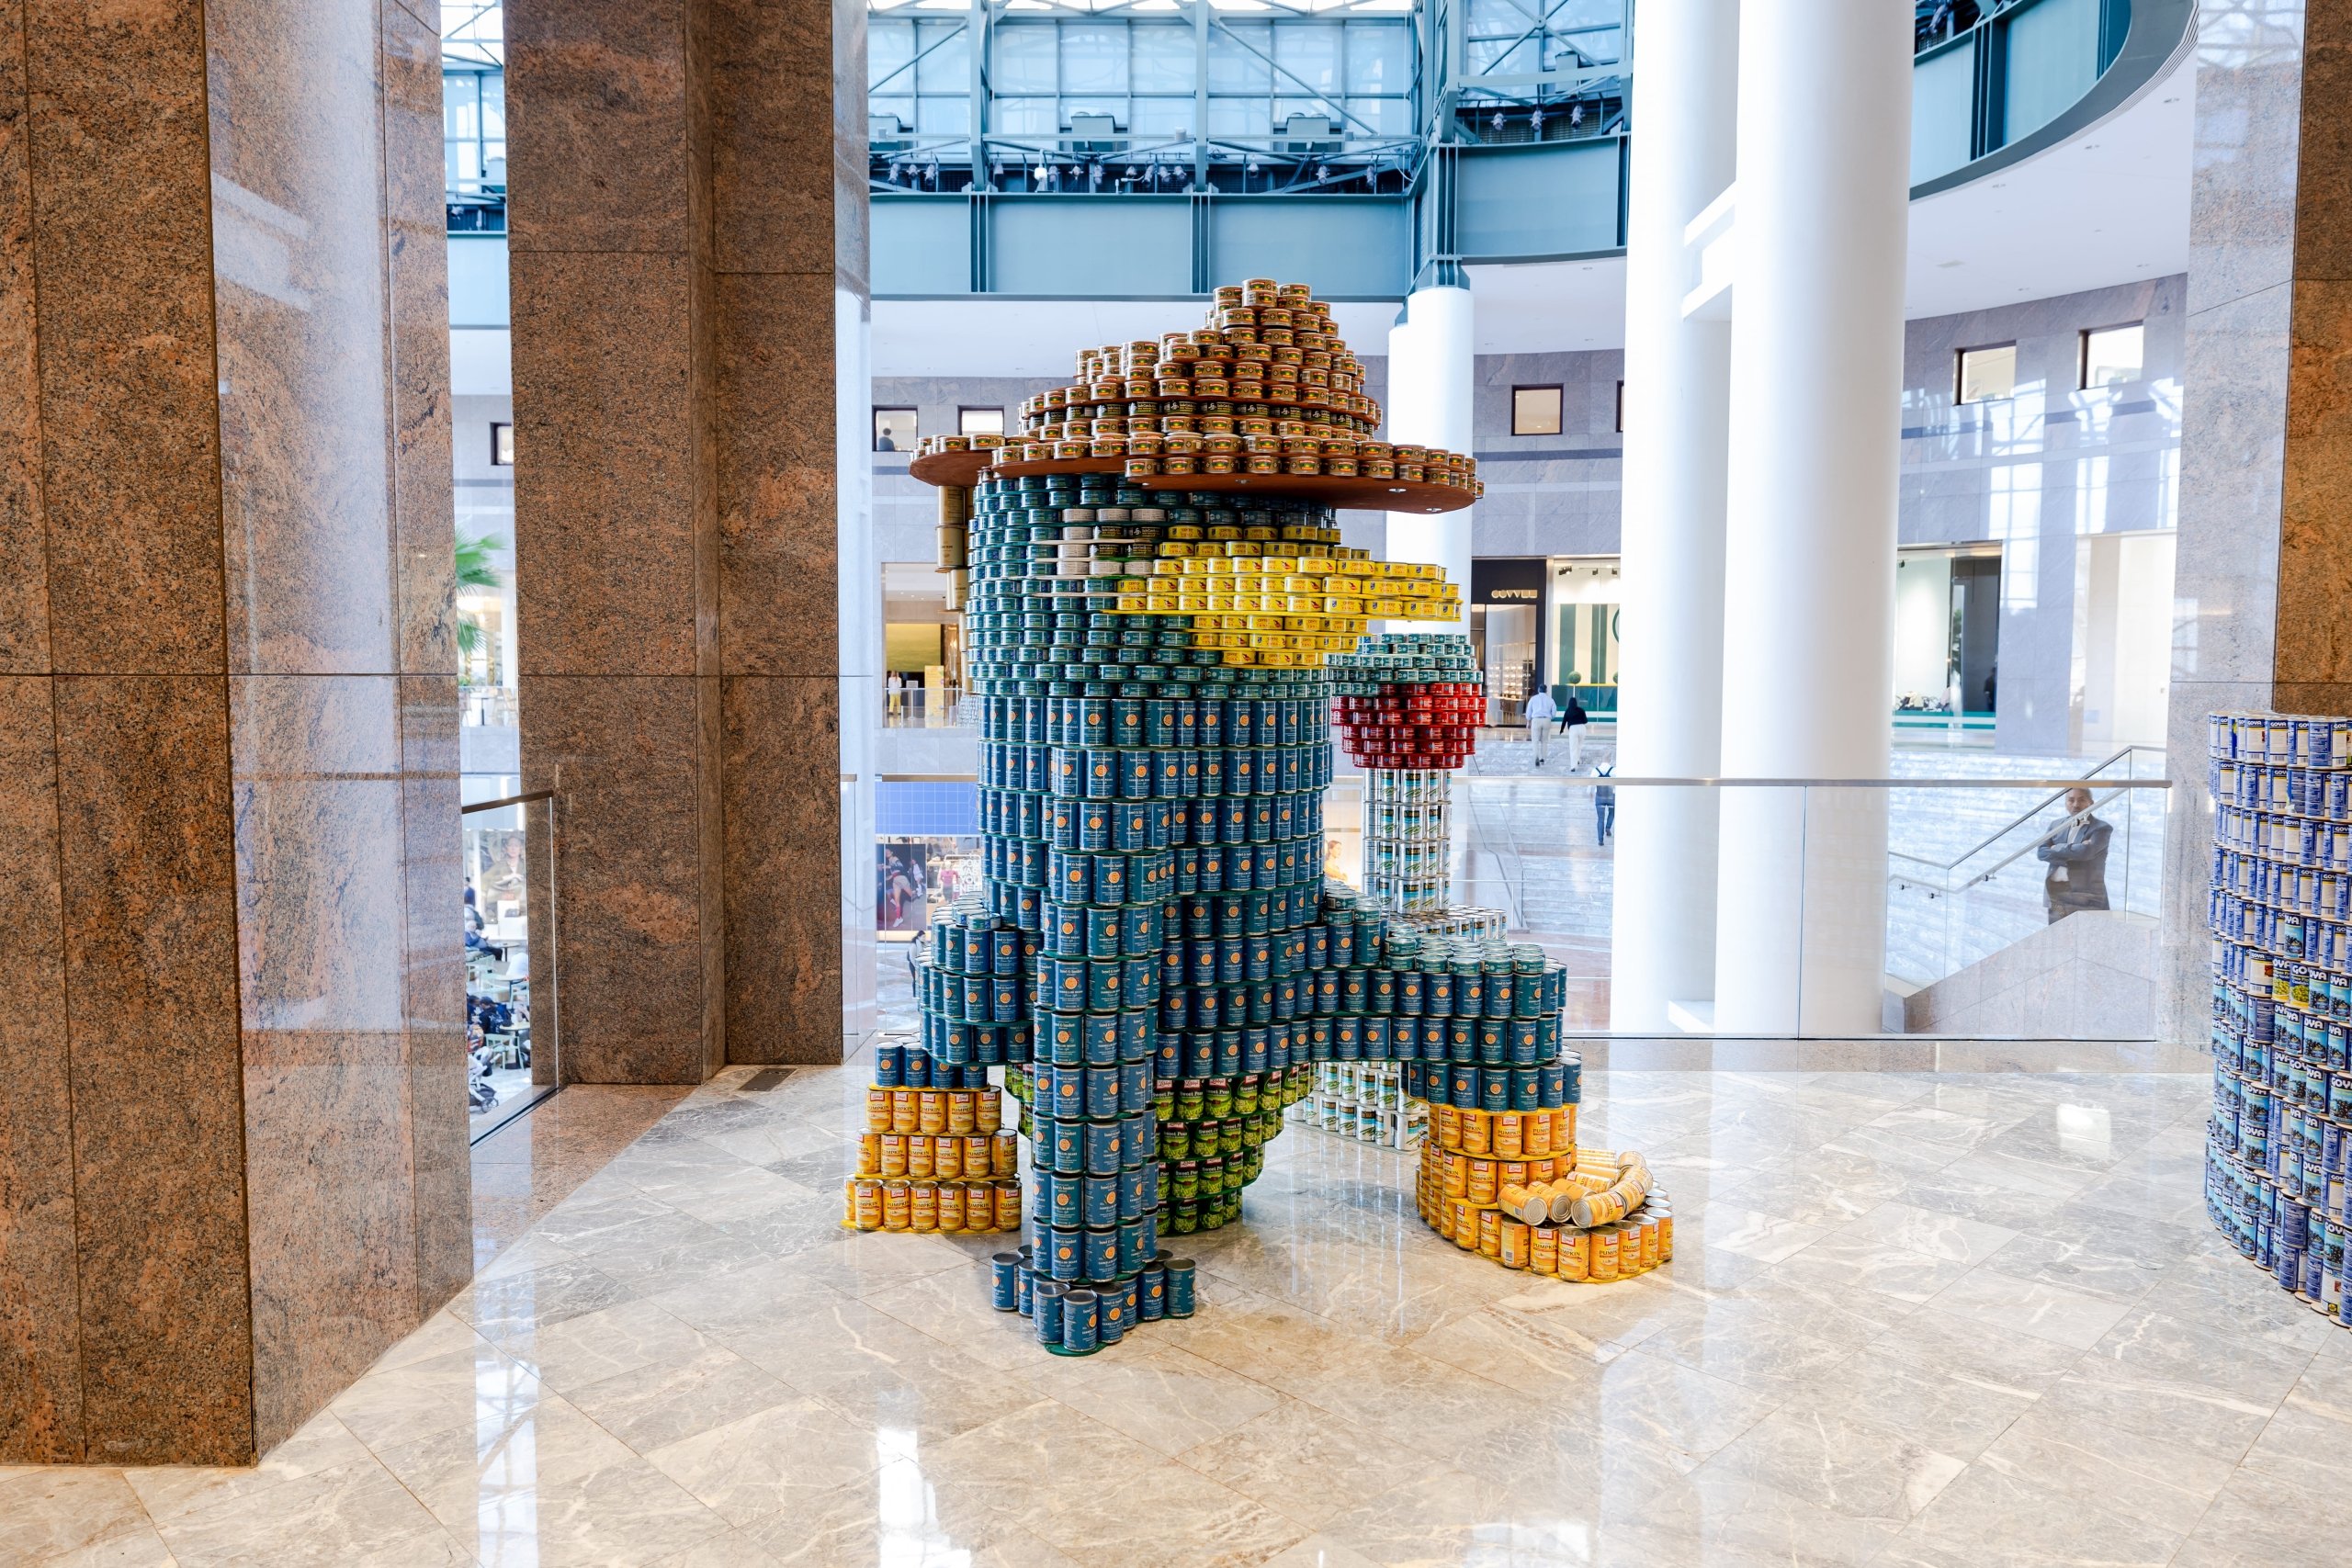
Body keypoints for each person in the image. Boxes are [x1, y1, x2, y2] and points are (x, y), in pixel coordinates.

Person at [2035, 786, 2111, 924]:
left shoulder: (2101, 828)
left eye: (2081, 800)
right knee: (2058, 935)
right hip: (2056, 895)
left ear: (2091, 803)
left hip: (2086, 897)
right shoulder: (2055, 825)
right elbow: (2041, 852)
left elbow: (2086, 853)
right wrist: (2074, 849)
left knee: (2087, 937)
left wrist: (2054, 848)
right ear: (2065, 803)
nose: (2076, 804)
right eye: (2071, 800)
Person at [1522, 686, 1559, 766]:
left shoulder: (1533, 699)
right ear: (1546, 690)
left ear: (1539, 690)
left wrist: (1528, 721)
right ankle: (1543, 759)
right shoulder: (1551, 700)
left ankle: (1536, 757)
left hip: (1536, 720)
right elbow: (1554, 713)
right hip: (1547, 720)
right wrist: (1550, 717)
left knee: (1535, 741)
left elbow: (1529, 711)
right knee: (1544, 741)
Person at [1562, 693, 1591, 771]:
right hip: (1582, 728)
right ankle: (1577, 760)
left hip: (1573, 729)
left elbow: (1564, 721)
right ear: (1576, 703)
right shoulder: (1581, 710)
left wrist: (1561, 730)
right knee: (1579, 746)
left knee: (1573, 748)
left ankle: (1573, 766)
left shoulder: (1568, 711)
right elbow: (1585, 721)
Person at [1593, 762, 1615, 845]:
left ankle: (1600, 840)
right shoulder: (1614, 770)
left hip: (1599, 797)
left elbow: (1590, 784)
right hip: (1611, 797)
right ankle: (1608, 827)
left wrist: (1590, 793)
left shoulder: (1595, 770)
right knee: (1612, 812)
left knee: (1600, 819)